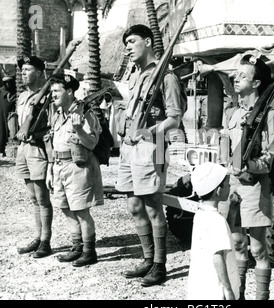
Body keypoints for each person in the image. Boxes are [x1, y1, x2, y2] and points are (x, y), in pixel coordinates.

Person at [116, 24, 185, 287]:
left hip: (150, 145)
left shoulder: (165, 76)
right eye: (126, 43)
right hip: (129, 146)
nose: (128, 47)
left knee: (152, 207)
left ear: (147, 41)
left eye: (132, 41)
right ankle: (147, 258)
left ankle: (160, 265)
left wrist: (148, 130)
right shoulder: (136, 75)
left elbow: (175, 119)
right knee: (134, 205)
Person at [218, 51, 274, 300]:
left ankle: (261, 297)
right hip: (232, 187)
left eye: (242, 76)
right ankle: (238, 296)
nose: (236, 79)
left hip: (254, 187)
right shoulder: (233, 113)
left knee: (258, 249)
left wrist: (250, 167)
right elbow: (224, 148)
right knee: (237, 246)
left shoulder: (269, 115)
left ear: (256, 83)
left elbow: (269, 157)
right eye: (236, 74)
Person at [45, 73, 103, 267]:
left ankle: (89, 251)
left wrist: (79, 129)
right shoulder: (58, 114)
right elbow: (54, 143)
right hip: (59, 166)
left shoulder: (84, 113)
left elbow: (92, 143)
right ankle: (76, 247)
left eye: (56, 91)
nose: (52, 95)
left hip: (78, 166)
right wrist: (50, 169)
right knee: (64, 207)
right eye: (52, 91)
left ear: (69, 91)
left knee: (80, 211)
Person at [15, 56, 54, 258]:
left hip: (38, 149)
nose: (23, 73)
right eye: (22, 70)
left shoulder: (47, 96)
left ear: (39, 73)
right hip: (23, 150)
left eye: (28, 69)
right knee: (33, 198)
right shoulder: (22, 97)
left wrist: (34, 134)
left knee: (42, 198)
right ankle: (37, 237)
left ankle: (46, 241)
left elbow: (53, 127)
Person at [187, 162, 240, 300]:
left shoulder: (201, 214)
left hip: (203, 288)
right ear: (218, 190)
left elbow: (219, 239)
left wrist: (232, 211)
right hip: (217, 291)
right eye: (227, 184)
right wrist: (228, 290)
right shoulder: (216, 220)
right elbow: (217, 256)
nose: (229, 187)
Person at [0, 75, 16, 156]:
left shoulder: (13, 91)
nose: (8, 85)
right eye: (6, 83)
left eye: (9, 83)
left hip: (9, 115)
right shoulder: (2, 91)